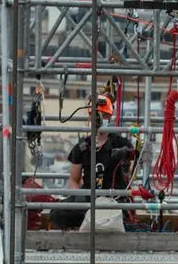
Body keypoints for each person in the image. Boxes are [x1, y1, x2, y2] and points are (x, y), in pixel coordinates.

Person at [50, 94, 136, 230]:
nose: (100, 120)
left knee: (117, 218)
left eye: (104, 116)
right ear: (90, 117)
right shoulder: (83, 146)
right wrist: (79, 201)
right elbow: (74, 179)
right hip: (88, 198)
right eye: (97, 116)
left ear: (110, 117)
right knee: (57, 214)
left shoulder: (121, 144)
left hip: (113, 198)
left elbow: (130, 174)